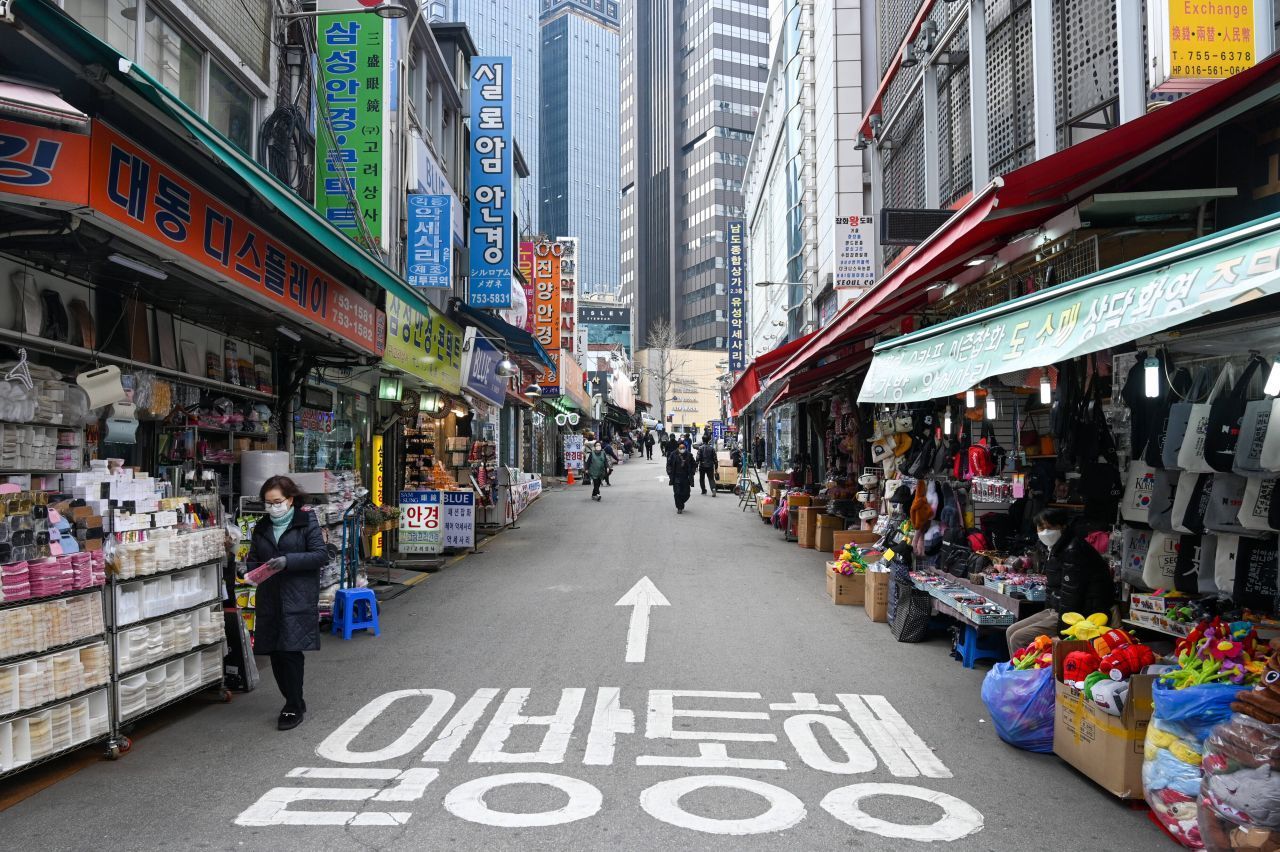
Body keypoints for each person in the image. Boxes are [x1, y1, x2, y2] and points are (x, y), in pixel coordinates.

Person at [246, 475, 328, 730]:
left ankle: (293, 704)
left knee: (290, 650)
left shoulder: (306, 521)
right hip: (269, 596)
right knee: (275, 651)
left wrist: (288, 561)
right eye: (268, 503)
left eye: (277, 501)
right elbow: (254, 558)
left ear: (290, 499)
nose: (273, 507)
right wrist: (246, 570)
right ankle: (292, 700)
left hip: (298, 595)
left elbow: (320, 555)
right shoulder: (261, 527)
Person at [1006, 508, 1116, 655]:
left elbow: (1071, 597)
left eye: (1050, 527)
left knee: (1018, 638)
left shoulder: (1073, 550)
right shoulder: (1054, 548)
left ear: (1063, 526)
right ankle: (1021, 671)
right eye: (1041, 528)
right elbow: (1055, 589)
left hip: (1081, 613)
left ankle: (1027, 675)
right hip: (1057, 609)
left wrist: (1062, 633)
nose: (1045, 532)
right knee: (1011, 631)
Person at [667, 442, 696, 514]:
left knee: (687, 494)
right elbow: (669, 464)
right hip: (676, 477)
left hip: (686, 477)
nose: (682, 449)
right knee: (677, 493)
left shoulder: (689, 455)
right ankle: (679, 507)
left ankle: (681, 502)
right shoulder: (673, 454)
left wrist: (692, 472)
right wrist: (670, 472)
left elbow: (694, 464)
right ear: (678, 448)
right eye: (681, 448)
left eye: (683, 448)